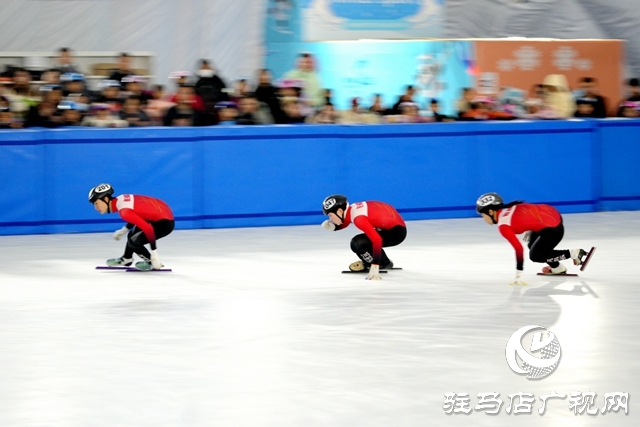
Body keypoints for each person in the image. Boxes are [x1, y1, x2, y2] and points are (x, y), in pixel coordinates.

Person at [475, 192, 592, 285]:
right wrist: (530, 228)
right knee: (533, 245)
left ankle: (575, 253)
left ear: (491, 212)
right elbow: (529, 211)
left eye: (483, 215)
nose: (483, 218)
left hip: (552, 229)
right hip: (553, 215)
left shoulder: (503, 226)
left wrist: (519, 274)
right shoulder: (510, 207)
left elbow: (519, 249)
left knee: (535, 256)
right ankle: (557, 268)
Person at [88, 183, 174, 271]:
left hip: (164, 223)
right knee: (131, 235)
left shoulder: (124, 212)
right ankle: (127, 258)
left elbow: (148, 229)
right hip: (161, 212)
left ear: (106, 199)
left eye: (96, 203)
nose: (96, 208)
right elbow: (135, 214)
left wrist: (154, 254)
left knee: (134, 242)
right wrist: (123, 231)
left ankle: (152, 262)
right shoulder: (121, 199)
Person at [321, 195, 407, 280]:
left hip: (396, 233)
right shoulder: (353, 208)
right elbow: (346, 220)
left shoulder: (359, 219)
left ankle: (379, 263)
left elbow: (377, 240)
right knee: (364, 241)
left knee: (357, 243)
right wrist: (335, 227)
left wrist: (375, 265)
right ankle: (385, 262)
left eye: (330, 215)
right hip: (395, 226)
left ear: (340, 211)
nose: (330, 219)